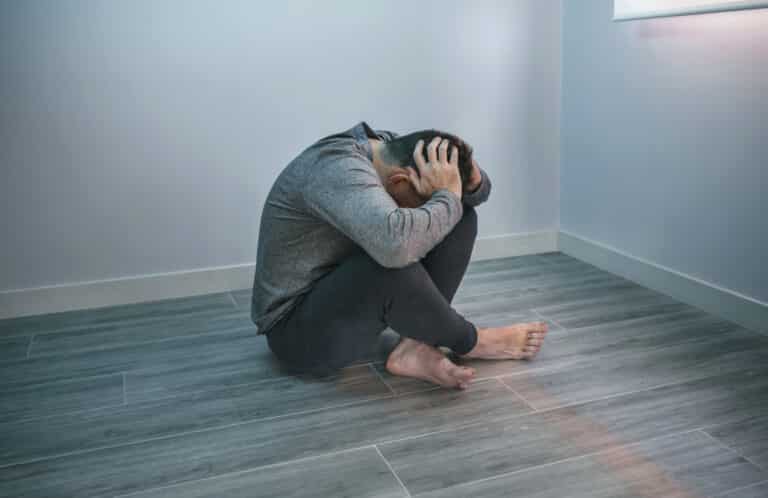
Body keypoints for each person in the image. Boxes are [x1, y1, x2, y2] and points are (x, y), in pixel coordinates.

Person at [251, 122, 547, 389]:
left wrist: (472, 181)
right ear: (399, 182)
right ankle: (473, 342)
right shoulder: (337, 171)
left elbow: (472, 198)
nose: (422, 217)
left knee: (460, 217)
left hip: (341, 299)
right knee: (393, 263)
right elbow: (396, 249)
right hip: (296, 333)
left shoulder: (392, 150)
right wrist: (447, 199)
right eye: (418, 200)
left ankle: (415, 347)